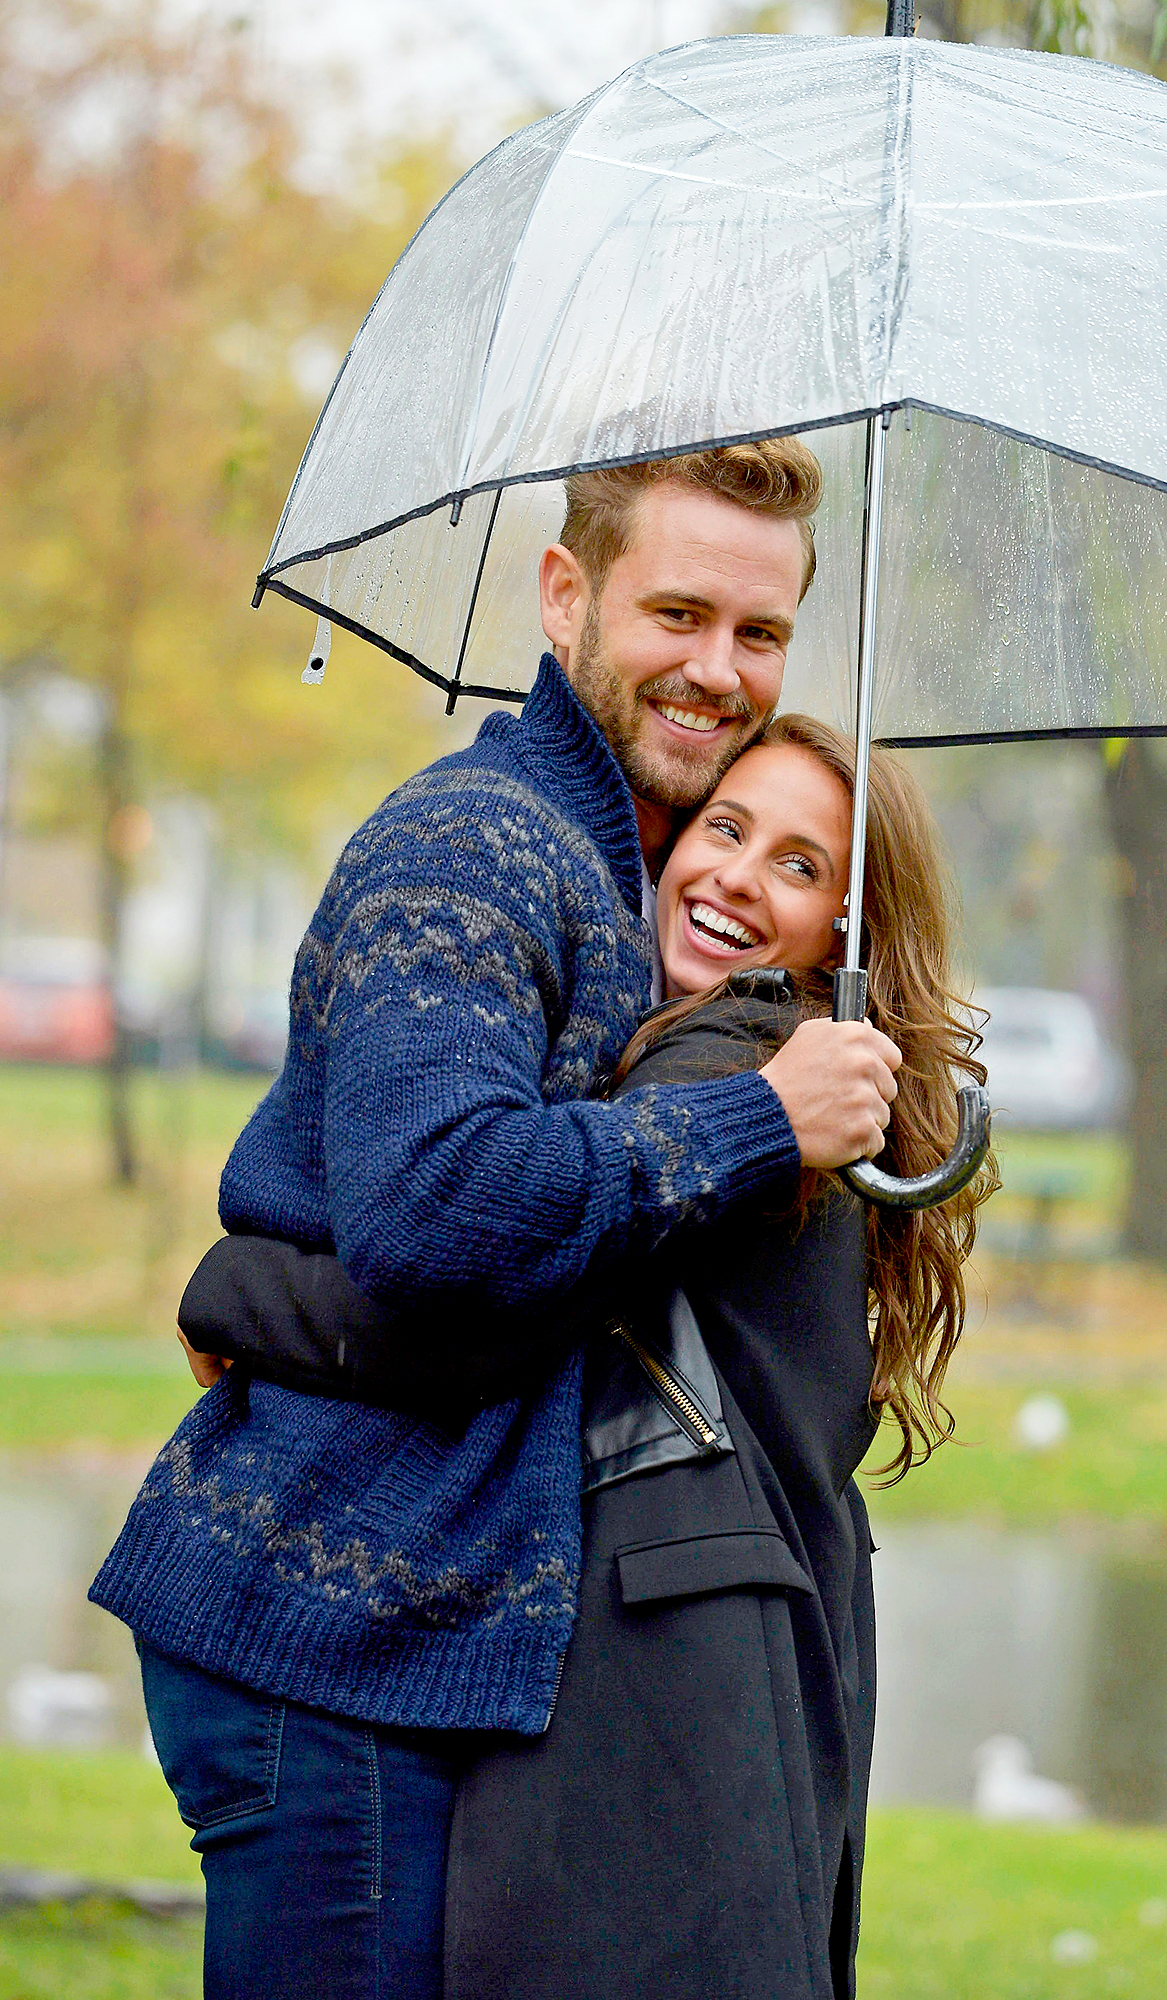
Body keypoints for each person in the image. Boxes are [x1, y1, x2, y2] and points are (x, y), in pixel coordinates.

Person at [90, 440, 904, 2000]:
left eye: (761, 634)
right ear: (563, 596)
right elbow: (437, 1209)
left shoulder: (627, 874)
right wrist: (763, 1121)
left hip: (421, 1643)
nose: (717, 671)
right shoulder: (474, 848)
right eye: (676, 613)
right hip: (324, 1640)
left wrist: (250, 1293)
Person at [176, 716, 997, 2000]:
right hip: (703, 1697)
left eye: (798, 864)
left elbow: (471, 1305)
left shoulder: (740, 1079)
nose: (735, 874)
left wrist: (237, 1287)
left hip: (664, 1703)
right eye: (724, 828)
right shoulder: (759, 1080)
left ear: (850, 928)